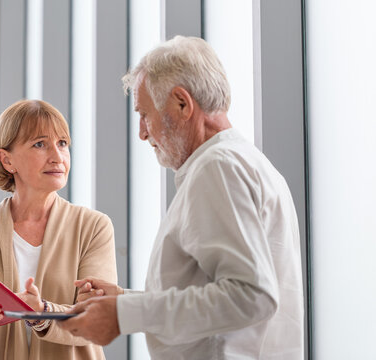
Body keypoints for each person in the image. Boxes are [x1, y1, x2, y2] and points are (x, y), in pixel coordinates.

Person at [58, 36, 304, 359]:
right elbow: (218, 301)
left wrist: (124, 314)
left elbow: (251, 295)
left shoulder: (217, 168)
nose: (142, 133)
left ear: (182, 104)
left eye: (144, 115)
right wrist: (124, 299)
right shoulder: (249, 164)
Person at [0, 99, 117, 360]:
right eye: (40, 144)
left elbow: (98, 320)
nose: (57, 157)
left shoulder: (93, 227)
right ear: (7, 160)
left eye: (63, 143)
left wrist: (42, 314)